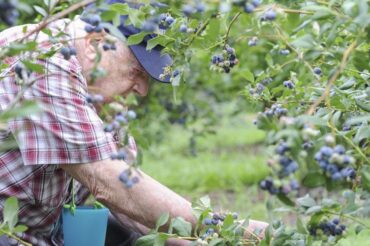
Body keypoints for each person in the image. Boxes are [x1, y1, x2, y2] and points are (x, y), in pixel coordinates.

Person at [0, 1, 268, 245]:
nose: (142, 90)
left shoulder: (99, 94)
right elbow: (114, 186)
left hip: (43, 232)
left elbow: (133, 207)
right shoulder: (45, 61)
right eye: (136, 71)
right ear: (94, 43)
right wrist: (247, 232)